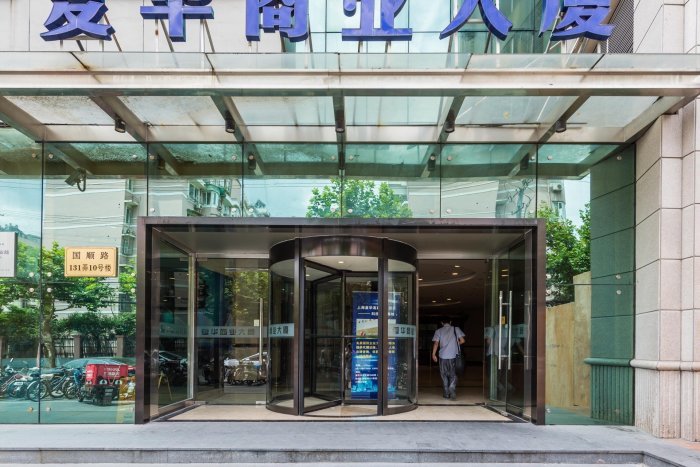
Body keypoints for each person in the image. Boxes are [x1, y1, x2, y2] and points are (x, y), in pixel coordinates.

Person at [431, 319, 465, 401]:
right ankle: (452, 387)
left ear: (442, 322)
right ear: (450, 322)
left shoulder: (438, 331)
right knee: (453, 374)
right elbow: (463, 341)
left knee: (444, 375)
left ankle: (446, 393)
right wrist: (455, 344)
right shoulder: (456, 329)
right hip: (453, 355)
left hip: (442, 356)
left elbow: (436, 343)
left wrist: (433, 354)